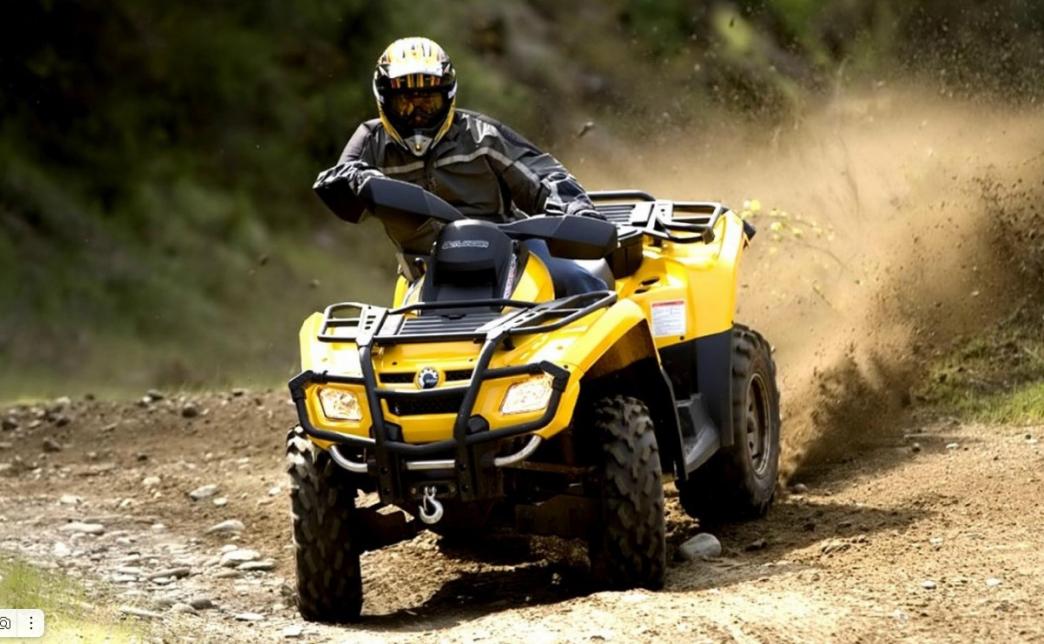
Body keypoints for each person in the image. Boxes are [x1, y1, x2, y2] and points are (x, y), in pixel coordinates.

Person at [313, 36, 607, 296]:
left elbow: (542, 173)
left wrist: (575, 209)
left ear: (448, 97)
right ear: (384, 102)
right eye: (405, 103)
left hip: (512, 255)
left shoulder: (482, 135)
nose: (417, 114)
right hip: (425, 270)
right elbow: (340, 177)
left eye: (428, 102)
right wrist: (359, 182)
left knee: (576, 281)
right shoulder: (370, 140)